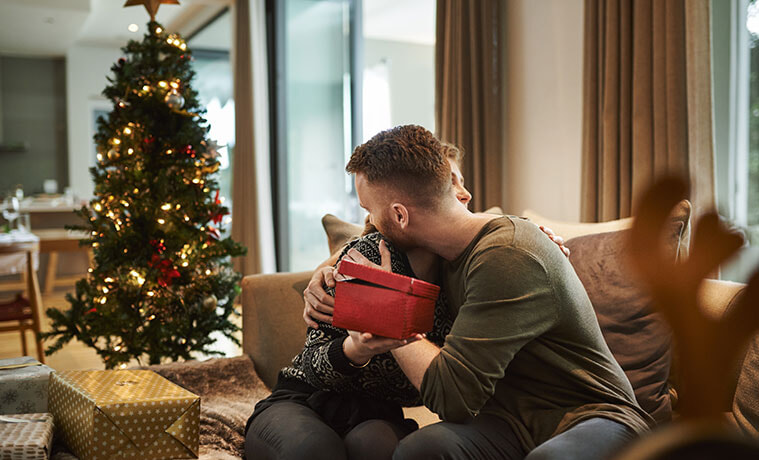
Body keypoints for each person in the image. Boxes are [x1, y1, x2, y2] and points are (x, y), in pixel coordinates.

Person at [304, 125, 653, 460]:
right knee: (419, 450)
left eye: (369, 210)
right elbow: (367, 241)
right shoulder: (442, 251)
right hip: (510, 423)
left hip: (592, 415)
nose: (369, 220)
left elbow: (452, 398)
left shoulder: (508, 255)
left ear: (399, 215)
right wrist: (323, 274)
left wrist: (391, 313)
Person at [245, 144, 570, 460]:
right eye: (451, 182)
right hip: (307, 399)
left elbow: (499, 236)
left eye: (458, 181)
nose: (462, 193)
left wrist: (537, 238)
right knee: (314, 451)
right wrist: (357, 348)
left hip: (379, 413)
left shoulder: (469, 269)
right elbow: (314, 365)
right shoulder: (370, 256)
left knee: (377, 448)